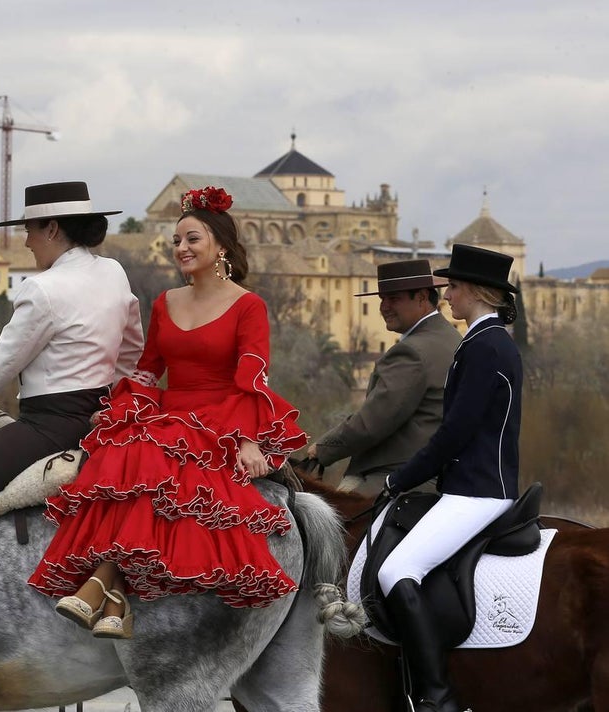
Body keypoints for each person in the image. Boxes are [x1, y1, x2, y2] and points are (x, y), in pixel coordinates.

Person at [27, 186, 307, 639]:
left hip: (219, 418)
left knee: (147, 458)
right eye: (176, 241)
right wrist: (119, 408)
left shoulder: (249, 306)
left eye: (192, 239)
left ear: (220, 245)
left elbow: (252, 379)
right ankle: (113, 596)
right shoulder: (164, 302)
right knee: (125, 452)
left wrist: (249, 439)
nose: (181, 249)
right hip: (169, 412)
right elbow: (148, 369)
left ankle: (104, 586)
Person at [0, 180, 144, 661]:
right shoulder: (114, 272)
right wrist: (114, 402)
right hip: (103, 417)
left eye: (30, 229)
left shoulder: (43, 289)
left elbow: (2, 364)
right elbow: (132, 350)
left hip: (51, 425)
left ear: (53, 228)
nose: (25, 240)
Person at [376, 244, 522, 712]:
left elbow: (455, 433)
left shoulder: (485, 346)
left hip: (478, 491)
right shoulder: (483, 341)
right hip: (472, 486)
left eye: (453, 286)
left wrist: (400, 479)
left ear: (476, 291)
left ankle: (438, 697)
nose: (448, 295)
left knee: (396, 569)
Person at [308, 259, 461, 495]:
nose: (384, 306)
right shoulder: (449, 337)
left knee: (334, 526)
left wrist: (322, 449)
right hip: (434, 471)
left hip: (398, 473)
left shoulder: (412, 351)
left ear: (421, 297)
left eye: (394, 299)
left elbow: (373, 421)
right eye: (382, 299)